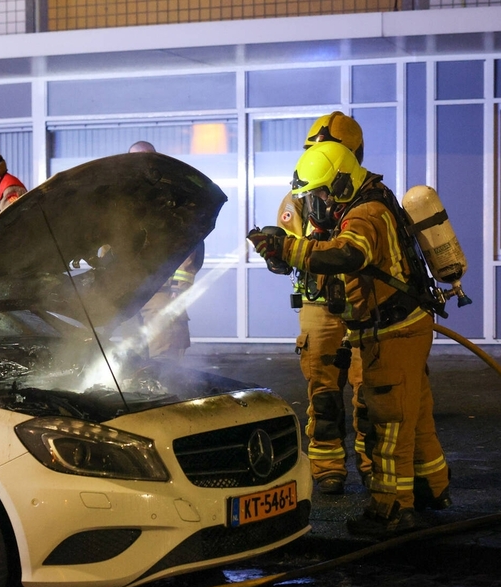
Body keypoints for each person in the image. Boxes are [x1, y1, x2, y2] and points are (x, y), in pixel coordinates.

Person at [248, 141, 451, 537]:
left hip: (390, 333)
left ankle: (391, 510)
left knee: (389, 421)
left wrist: (288, 247)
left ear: (340, 183)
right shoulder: (368, 199)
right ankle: (432, 489)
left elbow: (347, 256)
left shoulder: (365, 214)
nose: (318, 204)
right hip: (404, 326)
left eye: (321, 194)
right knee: (415, 416)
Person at [276, 112, 369, 496]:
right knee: (323, 392)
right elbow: (284, 253)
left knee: (372, 392)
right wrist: (276, 250)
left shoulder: (368, 197)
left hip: (365, 307)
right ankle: (328, 466)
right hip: (320, 308)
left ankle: (372, 464)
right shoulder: (297, 197)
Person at [129, 141, 205, 359]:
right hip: (130, 296)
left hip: (161, 292)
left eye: (147, 158)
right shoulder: (123, 198)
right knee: (132, 363)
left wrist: (178, 289)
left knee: (165, 358)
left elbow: (187, 242)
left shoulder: (172, 197)